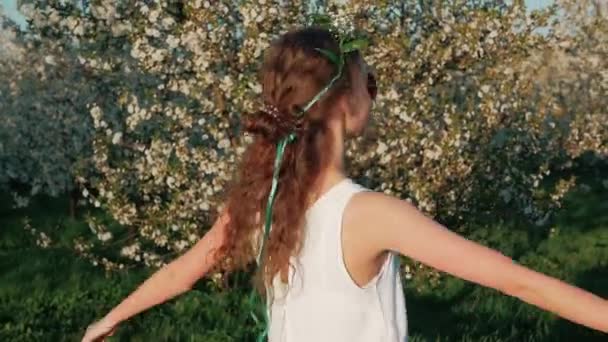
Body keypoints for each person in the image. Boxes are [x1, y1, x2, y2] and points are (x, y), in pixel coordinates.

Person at [82, 27, 607, 342]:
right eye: (369, 84)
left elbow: (182, 271)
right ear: (344, 104)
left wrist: (107, 320)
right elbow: (518, 281)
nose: (373, 98)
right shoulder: (369, 214)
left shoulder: (262, 201)